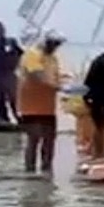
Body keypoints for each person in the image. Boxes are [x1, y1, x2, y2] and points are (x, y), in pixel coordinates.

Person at [17, 30, 65, 174]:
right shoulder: (32, 55)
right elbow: (37, 75)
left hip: (48, 106)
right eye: (52, 44)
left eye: (57, 44)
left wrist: (67, 85)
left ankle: (47, 169)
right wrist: (56, 86)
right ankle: (30, 170)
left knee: (50, 139)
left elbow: (57, 77)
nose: (54, 47)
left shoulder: (53, 58)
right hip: (30, 105)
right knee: (34, 139)